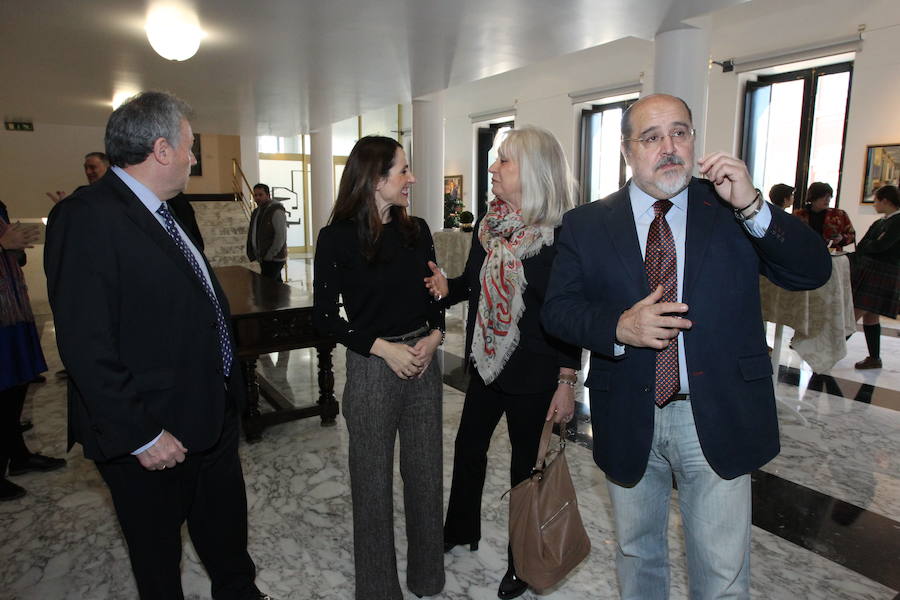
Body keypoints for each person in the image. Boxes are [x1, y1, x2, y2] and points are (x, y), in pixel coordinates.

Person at [541, 94, 832, 600]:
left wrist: (753, 204)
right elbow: (557, 311)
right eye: (652, 137)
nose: (669, 147)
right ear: (627, 150)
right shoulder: (587, 223)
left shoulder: (728, 208)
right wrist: (618, 326)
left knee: (722, 572)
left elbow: (811, 270)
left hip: (716, 410)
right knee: (637, 554)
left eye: (680, 133)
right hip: (628, 409)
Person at [45, 91, 272, 600]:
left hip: (210, 411)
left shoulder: (176, 209)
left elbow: (193, 296)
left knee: (226, 533)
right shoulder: (87, 217)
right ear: (162, 149)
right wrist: (142, 434)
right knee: (157, 555)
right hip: (149, 432)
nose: (195, 159)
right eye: (191, 147)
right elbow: (85, 344)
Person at [424, 125, 580, 599]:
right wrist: (448, 286)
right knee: (469, 448)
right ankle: (460, 529)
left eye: (504, 162)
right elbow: (474, 282)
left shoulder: (560, 236)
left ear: (532, 171)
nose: (492, 170)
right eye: (495, 161)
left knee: (523, 470)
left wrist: (567, 378)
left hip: (535, 371)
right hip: (487, 361)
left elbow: (571, 311)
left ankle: (523, 562)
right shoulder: (489, 226)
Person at [313, 136, 445, 600]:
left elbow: (435, 296)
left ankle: (428, 578)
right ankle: (377, 590)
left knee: (426, 477)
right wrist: (383, 349)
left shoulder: (418, 230)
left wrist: (435, 336)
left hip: (423, 363)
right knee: (371, 484)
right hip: (372, 366)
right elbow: (324, 318)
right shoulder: (336, 239)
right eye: (404, 170)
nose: (412, 179)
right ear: (375, 178)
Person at [0, 203, 66, 501]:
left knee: (16, 385)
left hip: (11, 307)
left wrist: (14, 246)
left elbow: (17, 256)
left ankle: (17, 455)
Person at [850, 184, 900, 369]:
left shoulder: (897, 221)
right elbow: (863, 245)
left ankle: (828, 353)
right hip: (874, 271)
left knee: (854, 313)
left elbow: (880, 246)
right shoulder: (881, 223)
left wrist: (873, 244)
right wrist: (873, 243)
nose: (874, 204)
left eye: (877, 200)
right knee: (870, 316)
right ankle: (874, 358)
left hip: (883, 272)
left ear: (886, 201)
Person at [793, 181, 855, 250]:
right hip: (803, 253)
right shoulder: (799, 215)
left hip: (831, 256)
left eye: (829, 196)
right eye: (823, 196)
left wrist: (841, 238)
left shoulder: (838, 215)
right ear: (813, 198)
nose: (827, 200)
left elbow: (852, 235)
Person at [246, 183, 287, 282]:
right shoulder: (257, 212)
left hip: (274, 258)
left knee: (266, 285)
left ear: (268, 195)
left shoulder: (276, 211)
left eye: (260, 195)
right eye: (255, 195)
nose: (257, 198)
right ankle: (280, 298)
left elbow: (280, 236)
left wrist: (271, 254)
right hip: (263, 257)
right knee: (275, 285)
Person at [46, 151, 110, 203]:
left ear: (107, 167)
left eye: (92, 167)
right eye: (85, 168)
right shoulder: (81, 193)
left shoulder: (117, 191)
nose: (88, 172)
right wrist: (62, 206)